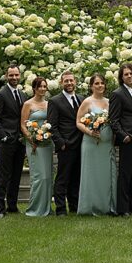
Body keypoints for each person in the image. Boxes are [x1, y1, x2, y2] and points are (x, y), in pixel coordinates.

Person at [109, 62, 132, 216]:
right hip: (128, 139)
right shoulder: (117, 94)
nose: (129, 76)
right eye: (126, 74)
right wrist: (123, 136)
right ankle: (122, 209)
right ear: (121, 77)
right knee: (125, 174)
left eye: (131, 73)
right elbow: (113, 119)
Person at [75, 73, 116, 216]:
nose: (100, 86)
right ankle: (90, 207)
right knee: (91, 174)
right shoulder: (87, 102)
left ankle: (107, 206)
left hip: (106, 144)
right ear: (91, 86)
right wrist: (90, 132)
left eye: (102, 83)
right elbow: (78, 122)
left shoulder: (110, 102)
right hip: (91, 144)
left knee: (106, 175)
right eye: (97, 83)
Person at [0, 64, 25, 217]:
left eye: (16, 75)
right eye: (11, 75)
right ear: (6, 76)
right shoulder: (0, 94)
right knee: (3, 175)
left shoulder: (22, 95)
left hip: (20, 141)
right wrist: (4, 136)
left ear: (20, 76)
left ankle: (12, 206)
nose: (14, 78)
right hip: (6, 141)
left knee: (16, 174)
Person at [47, 70, 83, 216]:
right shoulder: (55, 101)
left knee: (76, 177)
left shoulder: (81, 99)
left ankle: (74, 206)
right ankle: (61, 208)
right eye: (66, 81)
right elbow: (52, 125)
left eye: (71, 80)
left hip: (81, 144)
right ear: (62, 83)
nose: (69, 83)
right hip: (66, 145)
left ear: (75, 82)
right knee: (63, 178)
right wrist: (61, 143)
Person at [20, 76, 54, 217]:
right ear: (34, 88)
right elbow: (23, 124)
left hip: (47, 143)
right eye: (39, 86)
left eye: (44, 86)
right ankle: (35, 208)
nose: (42, 89)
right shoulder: (28, 104)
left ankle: (46, 208)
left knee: (48, 176)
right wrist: (31, 138)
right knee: (39, 176)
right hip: (34, 144)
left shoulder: (49, 104)